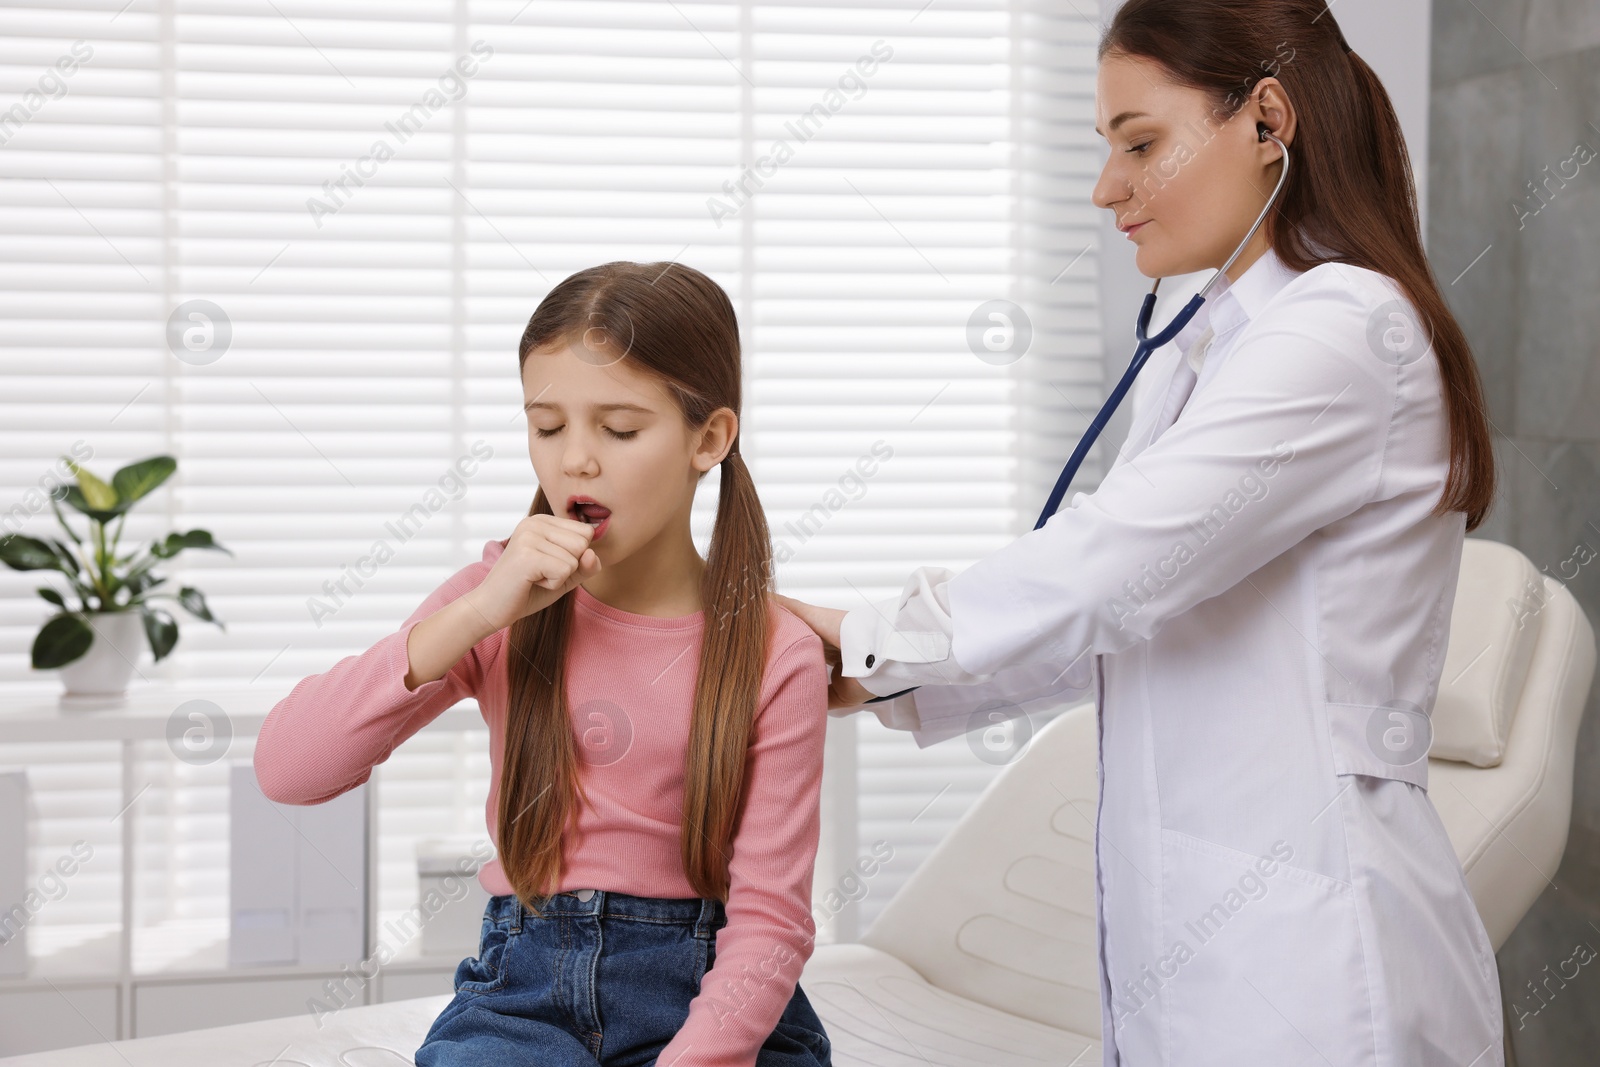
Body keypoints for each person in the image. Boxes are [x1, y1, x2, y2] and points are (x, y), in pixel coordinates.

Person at [777, 1, 1504, 1063]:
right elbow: (1133, 622)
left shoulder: (1347, 328)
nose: (1105, 187)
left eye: (1140, 142)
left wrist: (864, 631)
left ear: (1267, 121)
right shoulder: (1197, 349)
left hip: (1320, 966)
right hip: (1187, 945)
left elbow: (1111, 565)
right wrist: (868, 677)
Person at [255, 262, 833, 1067]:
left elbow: (772, 922)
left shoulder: (779, 652)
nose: (575, 462)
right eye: (548, 426)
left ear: (710, 438)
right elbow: (288, 768)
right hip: (523, 1001)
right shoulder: (494, 603)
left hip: (717, 1005)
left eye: (619, 429)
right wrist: (478, 612)